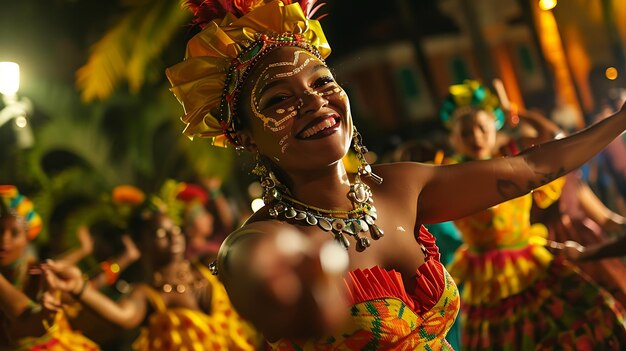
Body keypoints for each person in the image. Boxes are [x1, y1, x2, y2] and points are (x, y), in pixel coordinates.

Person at [164, 1, 626, 348]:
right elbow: (250, 263)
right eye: (278, 100)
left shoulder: (399, 186)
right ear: (242, 136)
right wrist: (276, 279)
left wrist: (621, 119)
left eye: (323, 81)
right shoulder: (260, 240)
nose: (314, 101)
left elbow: (528, 168)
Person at [439, 80, 626, 350]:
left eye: (481, 128)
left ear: (495, 127)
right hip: (485, 276)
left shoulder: (513, 163)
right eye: (466, 133)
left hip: (528, 258)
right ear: (454, 138)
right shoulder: (450, 175)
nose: (476, 137)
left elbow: (553, 137)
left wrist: (514, 110)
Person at [43, 193, 260, 351]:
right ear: (142, 244)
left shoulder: (206, 264)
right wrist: (78, 287)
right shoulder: (150, 295)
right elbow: (121, 316)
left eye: (174, 229)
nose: (173, 236)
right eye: (160, 233)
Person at [0, 185, 99, 351]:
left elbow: (32, 320)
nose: (4, 239)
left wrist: (84, 251)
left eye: (15, 233)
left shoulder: (37, 273)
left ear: (28, 238)